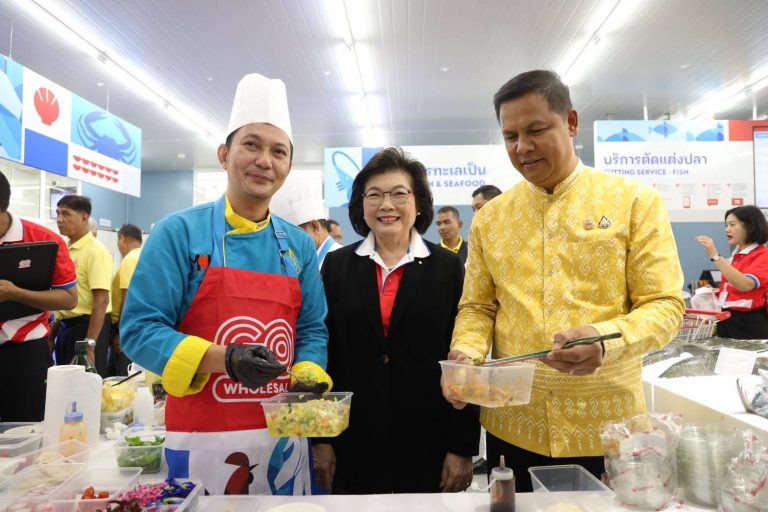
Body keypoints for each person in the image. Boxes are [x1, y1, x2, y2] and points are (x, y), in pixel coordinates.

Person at [443, 70, 684, 491]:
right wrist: (466, 352)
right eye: (510, 136)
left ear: (571, 122)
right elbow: (478, 306)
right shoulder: (491, 219)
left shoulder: (633, 202)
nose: (522, 147)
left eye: (536, 130)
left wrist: (605, 340)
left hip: (607, 427)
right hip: (514, 424)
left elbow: (665, 305)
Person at [121, 73, 331, 495]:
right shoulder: (179, 233)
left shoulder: (298, 247)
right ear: (224, 154)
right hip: (201, 438)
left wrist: (308, 370)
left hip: (283, 439)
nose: (264, 161)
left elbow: (311, 328)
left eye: (278, 151)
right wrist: (225, 359)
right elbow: (139, 330)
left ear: (288, 167)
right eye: (251, 145)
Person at [315, 147, 479, 494]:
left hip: (428, 438)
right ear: (361, 205)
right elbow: (326, 352)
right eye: (374, 195)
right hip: (352, 439)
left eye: (399, 194)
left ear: (418, 204)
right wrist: (321, 439)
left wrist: (462, 446)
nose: (386, 205)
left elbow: (465, 354)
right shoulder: (338, 265)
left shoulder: (447, 267)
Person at [0, 172, 77, 421]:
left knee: (25, 429)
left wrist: (16, 293)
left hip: (24, 353)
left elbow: (69, 298)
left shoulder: (43, 240)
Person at [54, 195, 113, 377]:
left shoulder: (96, 251)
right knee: (64, 382)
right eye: (57, 213)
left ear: (84, 217)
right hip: (66, 327)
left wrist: (90, 343)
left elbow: (101, 300)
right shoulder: (64, 249)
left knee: (85, 384)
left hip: (88, 327)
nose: (59, 219)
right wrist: (53, 333)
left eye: (66, 214)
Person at [696, 205, 768, 339]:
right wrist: (715, 292)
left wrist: (715, 256)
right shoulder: (736, 257)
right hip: (728, 319)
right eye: (726, 225)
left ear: (750, 226)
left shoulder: (762, 255)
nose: (727, 229)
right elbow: (735, 290)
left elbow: (746, 285)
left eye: (732, 224)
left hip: (749, 324)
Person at [271, 181, 341, 269]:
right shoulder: (309, 261)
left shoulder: (340, 261)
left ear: (314, 227)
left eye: (294, 236)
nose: (291, 245)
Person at [109, 223, 143, 376]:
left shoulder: (130, 258)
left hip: (127, 325)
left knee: (123, 376)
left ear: (122, 238)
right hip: (141, 323)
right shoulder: (146, 256)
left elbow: (127, 296)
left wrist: (120, 332)